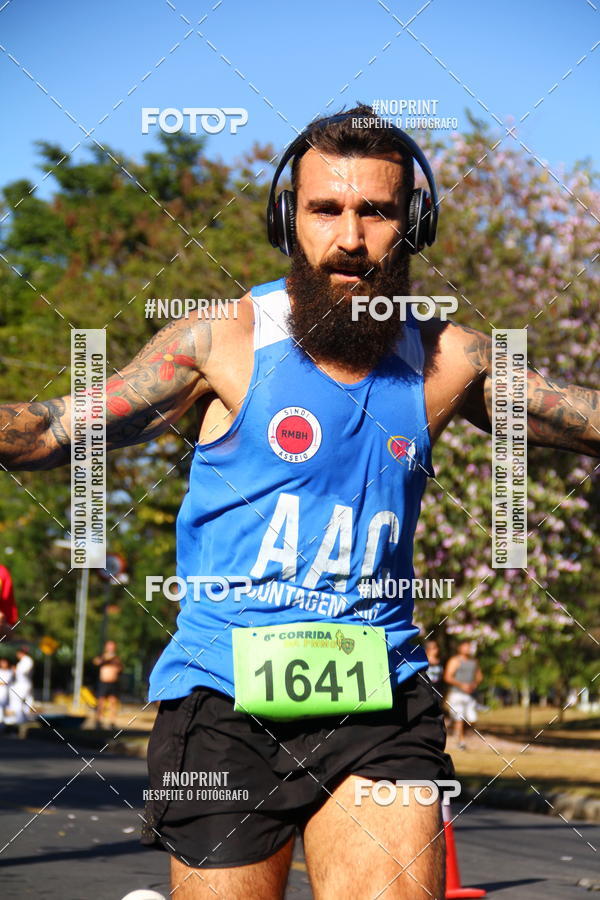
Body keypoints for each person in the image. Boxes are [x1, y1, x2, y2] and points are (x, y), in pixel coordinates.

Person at [0, 105, 598, 898]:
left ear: (413, 225)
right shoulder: (222, 340)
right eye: (325, 209)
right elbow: (51, 430)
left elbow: (582, 418)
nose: (350, 237)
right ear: (289, 220)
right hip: (222, 703)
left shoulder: (448, 359)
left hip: (379, 701)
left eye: (375, 211)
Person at [444, 640, 483, 749]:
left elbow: (479, 676)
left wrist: (474, 684)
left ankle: (454, 727)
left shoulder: (474, 662)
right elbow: (448, 677)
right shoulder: (455, 661)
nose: (467, 649)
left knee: (472, 719)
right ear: (460, 648)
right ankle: (461, 742)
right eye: (465, 647)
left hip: (470, 695)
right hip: (457, 694)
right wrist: (461, 685)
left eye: (469, 647)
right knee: (459, 718)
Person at [93, 640, 124, 727]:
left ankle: (112, 722)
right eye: (109, 646)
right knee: (101, 702)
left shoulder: (117, 658)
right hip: (103, 683)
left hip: (114, 683)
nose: (111, 648)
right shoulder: (102, 656)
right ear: (106, 647)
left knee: (113, 702)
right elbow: (96, 662)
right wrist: (106, 658)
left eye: (112, 646)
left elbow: (121, 668)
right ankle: (98, 721)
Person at [11, 646, 34, 724]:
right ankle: (22, 718)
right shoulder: (23, 661)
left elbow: (24, 672)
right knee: (24, 701)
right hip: (21, 683)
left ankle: (20, 719)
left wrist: (16, 670)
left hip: (24, 684)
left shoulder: (27, 660)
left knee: (17, 700)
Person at [0, 656, 15, 727]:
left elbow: (6, 682)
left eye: (4, 662)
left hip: (5, 693)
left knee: (4, 708)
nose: (3, 664)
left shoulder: (9, 672)